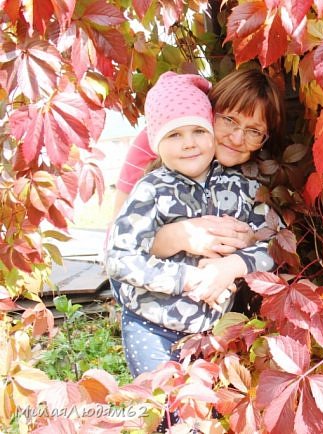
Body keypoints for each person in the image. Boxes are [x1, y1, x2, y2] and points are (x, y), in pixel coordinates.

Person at [106, 69, 284, 377]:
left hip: (210, 328)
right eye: (228, 120)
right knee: (165, 408)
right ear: (210, 112)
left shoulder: (245, 184)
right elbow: (119, 250)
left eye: (254, 131)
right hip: (152, 321)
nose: (237, 137)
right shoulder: (154, 180)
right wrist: (181, 251)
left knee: (204, 414)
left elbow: (275, 240)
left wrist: (233, 265)